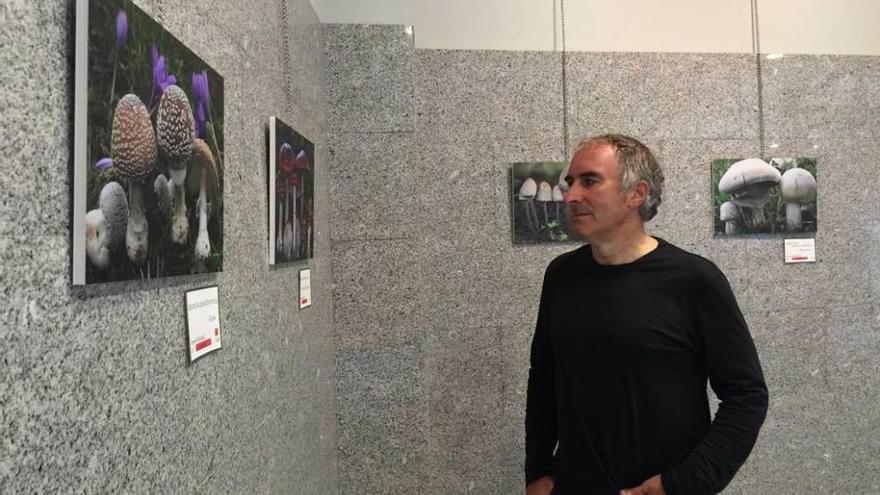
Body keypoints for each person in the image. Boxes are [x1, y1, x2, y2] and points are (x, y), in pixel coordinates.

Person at [524, 135, 768, 495]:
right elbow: (543, 380)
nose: (571, 196)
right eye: (570, 183)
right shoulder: (561, 275)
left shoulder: (694, 280)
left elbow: (747, 396)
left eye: (589, 181)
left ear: (636, 194)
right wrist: (538, 472)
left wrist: (682, 484)